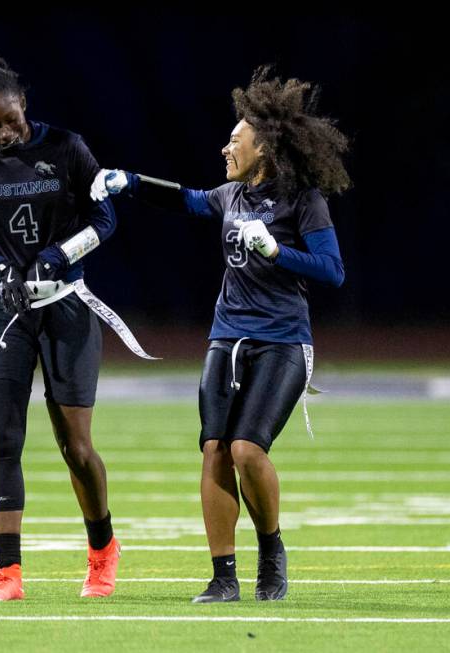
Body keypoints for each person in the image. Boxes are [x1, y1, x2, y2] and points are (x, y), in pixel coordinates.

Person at [91, 66, 350, 603]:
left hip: (282, 341)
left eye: (236, 140)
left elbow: (332, 270)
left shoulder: (303, 199)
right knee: (213, 449)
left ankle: (271, 551)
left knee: (247, 450)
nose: (225, 148)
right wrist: (130, 182)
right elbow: (187, 198)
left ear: (267, 147)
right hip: (226, 338)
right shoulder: (230, 196)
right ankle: (223, 577)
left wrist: (279, 251)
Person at [0, 54, 121, 601]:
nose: (1, 134)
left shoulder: (67, 147)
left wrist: (58, 256)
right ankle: (7, 575)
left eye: (8, 120)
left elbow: (106, 218)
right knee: (3, 441)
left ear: (24, 105)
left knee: (76, 447)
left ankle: (102, 551)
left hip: (66, 305)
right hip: (6, 310)